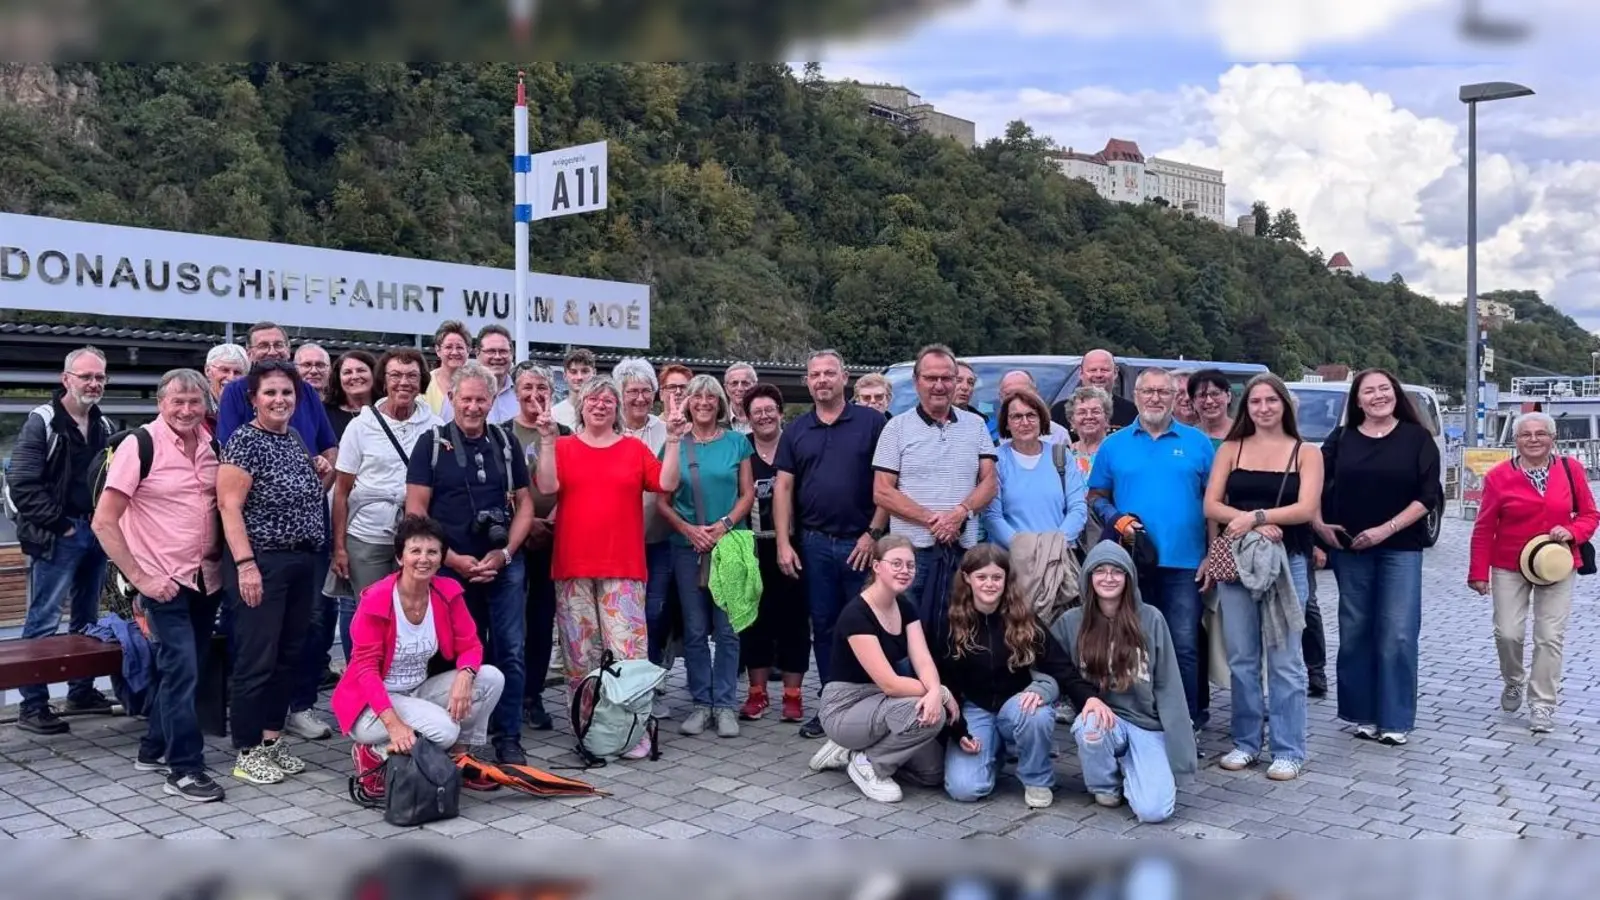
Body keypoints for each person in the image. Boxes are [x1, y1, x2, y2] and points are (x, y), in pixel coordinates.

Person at [532, 376, 688, 759]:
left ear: (616, 409)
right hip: (573, 565)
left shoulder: (633, 449)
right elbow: (547, 486)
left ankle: (632, 730)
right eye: (592, 399)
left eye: (607, 400)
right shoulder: (565, 446)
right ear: (581, 405)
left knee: (628, 654)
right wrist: (548, 440)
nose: (600, 405)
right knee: (579, 657)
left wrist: (672, 438)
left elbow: (666, 481)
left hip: (623, 565)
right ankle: (588, 726)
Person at [89, 368, 226, 802]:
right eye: (177, 402)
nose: (186, 410)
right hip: (162, 581)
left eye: (194, 402)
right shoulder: (140, 445)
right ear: (160, 404)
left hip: (206, 579)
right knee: (182, 669)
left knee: (184, 670)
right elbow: (104, 522)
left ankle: (152, 748)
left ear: (205, 405)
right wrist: (141, 577)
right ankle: (184, 768)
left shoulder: (211, 446)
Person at [404, 362, 534, 765]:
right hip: (448, 567)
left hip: (504, 563)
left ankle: (508, 735)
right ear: (451, 399)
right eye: (466, 399)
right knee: (451, 653)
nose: (473, 407)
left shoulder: (506, 442)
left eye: (481, 399)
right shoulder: (431, 442)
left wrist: (507, 552)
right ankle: (452, 735)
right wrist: (451, 559)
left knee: (510, 649)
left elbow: (526, 504)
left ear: (492, 401)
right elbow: (415, 511)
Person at [217, 361, 333, 785]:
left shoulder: (295, 438)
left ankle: (271, 740)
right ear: (253, 398)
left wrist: (320, 469)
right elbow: (229, 506)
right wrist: (246, 565)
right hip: (261, 561)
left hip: (301, 560)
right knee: (256, 659)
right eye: (270, 393)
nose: (279, 400)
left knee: (288, 657)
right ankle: (247, 749)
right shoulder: (245, 442)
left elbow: (302, 495)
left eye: (287, 392)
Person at [334, 516, 506, 799]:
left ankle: (459, 759)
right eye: (415, 551)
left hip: (415, 692)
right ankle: (373, 752)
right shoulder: (376, 599)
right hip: (372, 706)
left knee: (490, 678)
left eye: (432, 552)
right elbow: (365, 670)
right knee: (445, 731)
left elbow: (471, 645)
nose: (423, 559)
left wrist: (465, 675)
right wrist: (395, 725)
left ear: (441, 558)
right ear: (400, 557)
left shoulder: (446, 592)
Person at [1203, 374, 1322, 781]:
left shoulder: (1306, 452)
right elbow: (1211, 504)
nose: (1264, 408)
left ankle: (1288, 748)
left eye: (1272, 400)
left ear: (1285, 404)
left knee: (1287, 660)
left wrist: (1258, 517)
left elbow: (1306, 509)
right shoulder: (1231, 449)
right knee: (1242, 658)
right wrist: (1252, 526)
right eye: (1256, 401)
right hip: (1237, 563)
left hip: (1288, 564)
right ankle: (1246, 742)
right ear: (1246, 407)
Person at [1314, 368, 1441, 746]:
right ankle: (1361, 713)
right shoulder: (1341, 439)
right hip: (1350, 547)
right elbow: (1314, 485)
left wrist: (1385, 530)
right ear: (1357, 400)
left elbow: (1427, 497)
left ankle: (1395, 718)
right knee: (1356, 631)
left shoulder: (1418, 439)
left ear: (1395, 393)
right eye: (1368, 391)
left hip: (1400, 548)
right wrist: (1320, 527)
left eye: (1384, 389)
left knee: (1399, 633)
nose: (1377, 396)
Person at [1087, 367, 1215, 735]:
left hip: (1185, 562)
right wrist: (1116, 517)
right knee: (1132, 642)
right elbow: (1096, 495)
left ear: (1176, 397)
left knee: (1184, 645)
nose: (1155, 398)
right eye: (1148, 392)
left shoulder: (1197, 443)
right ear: (1137, 396)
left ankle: (1186, 722)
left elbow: (1212, 502)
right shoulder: (1115, 445)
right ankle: (1135, 718)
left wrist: (1210, 552)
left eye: (1163, 392)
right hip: (1131, 562)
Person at [936, 544, 1104, 809]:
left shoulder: (1023, 619)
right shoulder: (950, 621)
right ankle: (998, 750)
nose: (989, 584)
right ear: (967, 578)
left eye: (996, 577)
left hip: (1017, 705)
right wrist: (958, 731)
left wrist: (1089, 700)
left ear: (1006, 579)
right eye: (982, 577)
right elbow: (944, 681)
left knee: (1036, 713)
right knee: (965, 789)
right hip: (974, 709)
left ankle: (1037, 778)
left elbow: (1061, 667)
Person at [775, 350, 889, 739]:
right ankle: (831, 705)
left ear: (845, 378)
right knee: (823, 626)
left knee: (865, 626)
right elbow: (783, 488)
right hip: (815, 544)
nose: (822, 380)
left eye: (829, 373)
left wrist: (873, 534)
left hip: (862, 544)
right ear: (807, 382)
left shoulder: (873, 423)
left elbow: (888, 484)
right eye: (814, 375)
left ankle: (868, 705)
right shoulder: (796, 430)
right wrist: (783, 543)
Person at [1468, 411, 1599, 734]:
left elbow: (1590, 514)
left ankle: (1542, 704)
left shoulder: (1571, 469)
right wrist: (1478, 572)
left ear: (1553, 438)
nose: (1534, 439)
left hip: (1557, 563)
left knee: (1550, 637)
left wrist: (1573, 532)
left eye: (1541, 433)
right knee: (1508, 632)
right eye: (1526, 434)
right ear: (1516, 441)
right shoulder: (1498, 477)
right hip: (1510, 563)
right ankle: (1514, 680)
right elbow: (1484, 527)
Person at [1048, 542, 1196, 822]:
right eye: (1100, 571)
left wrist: (1181, 753)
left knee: (1154, 811)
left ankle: (1134, 768)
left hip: (1146, 725)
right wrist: (1038, 691)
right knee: (1088, 726)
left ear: (1129, 577)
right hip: (1104, 720)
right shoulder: (1071, 622)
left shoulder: (1151, 619)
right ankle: (1106, 786)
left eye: (1117, 571)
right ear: (1088, 577)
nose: (1108, 577)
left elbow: (1169, 686)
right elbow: (1049, 667)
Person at [11, 346, 116, 734]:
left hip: (94, 532)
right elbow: (22, 484)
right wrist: (63, 526)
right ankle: (33, 706)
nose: (93, 383)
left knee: (88, 619)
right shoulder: (42, 422)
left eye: (100, 377)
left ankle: (81, 691)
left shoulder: (103, 426)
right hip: (59, 536)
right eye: (86, 376)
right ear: (66, 379)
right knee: (43, 620)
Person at [807, 536, 954, 804]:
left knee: (933, 773)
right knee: (924, 711)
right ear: (876, 567)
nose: (904, 570)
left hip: (881, 703)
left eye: (910, 565)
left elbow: (922, 661)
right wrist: (939, 693)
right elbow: (890, 684)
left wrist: (934, 688)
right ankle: (868, 763)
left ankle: (856, 749)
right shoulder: (857, 614)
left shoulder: (906, 607)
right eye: (895, 563)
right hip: (845, 705)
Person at [872, 343, 998, 637]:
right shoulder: (896, 429)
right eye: (931, 378)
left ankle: (953, 685)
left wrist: (959, 514)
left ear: (956, 381)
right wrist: (935, 520)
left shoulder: (976, 426)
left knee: (962, 631)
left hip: (962, 551)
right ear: (917, 382)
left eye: (946, 378)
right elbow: (882, 492)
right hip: (911, 554)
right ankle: (913, 685)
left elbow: (990, 482)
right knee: (907, 633)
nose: (939, 385)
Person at [656, 375, 754, 738]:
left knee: (728, 630)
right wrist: (689, 530)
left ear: (720, 403)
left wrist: (724, 524)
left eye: (710, 397)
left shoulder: (737, 443)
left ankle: (725, 704)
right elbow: (662, 501)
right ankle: (701, 702)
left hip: (728, 545)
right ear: (687, 403)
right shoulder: (674, 445)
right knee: (695, 630)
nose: (703, 402)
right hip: (686, 548)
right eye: (696, 396)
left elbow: (747, 494)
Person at [331, 349, 442, 662]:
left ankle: (401, 688)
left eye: (410, 376)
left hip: (416, 539)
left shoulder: (435, 426)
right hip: (367, 537)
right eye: (395, 375)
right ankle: (363, 692)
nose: (403, 382)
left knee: (410, 614)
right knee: (368, 615)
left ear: (421, 381)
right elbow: (342, 492)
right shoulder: (360, 426)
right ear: (383, 380)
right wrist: (339, 547)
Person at [504, 361, 572, 730]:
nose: (534, 395)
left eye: (541, 388)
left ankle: (533, 695)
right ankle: (508, 695)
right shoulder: (502, 433)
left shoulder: (565, 434)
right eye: (527, 388)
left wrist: (552, 521)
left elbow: (577, 484)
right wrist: (526, 524)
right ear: (515, 392)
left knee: (542, 620)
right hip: (515, 540)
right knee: (511, 622)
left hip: (554, 538)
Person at [739, 384, 811, 724]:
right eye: (757, 412)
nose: (764, 416)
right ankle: (757, 693)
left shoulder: (795, 444)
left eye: (770, 410)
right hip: (752, 544)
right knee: (755, 620)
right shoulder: (742, 448)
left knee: (794, 620)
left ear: (781, 412)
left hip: (794, 543)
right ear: (746, 417)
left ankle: (794, 696)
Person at [981, 390, 1087, 550]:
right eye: (1016, 417)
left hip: (1056, 557)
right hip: (1012, 559)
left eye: (1031, 415)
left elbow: (1077, 508)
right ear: (1007, 424)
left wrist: (1055, 545)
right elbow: (992, 516)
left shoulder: (1061, 455)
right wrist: (1025, 547)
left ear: (1041, 419)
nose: (1025, 422)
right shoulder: (996, 460)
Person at [1051, 349, 1135, 432]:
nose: (1098, 375)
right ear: (1081, 373)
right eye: (1093, 370)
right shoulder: (1059, 411)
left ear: (1115, 373)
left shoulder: (1132, 412)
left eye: (1104, 370)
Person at [422, 320, 472, 420]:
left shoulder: (476, 383)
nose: (454, 352)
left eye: (460, 347)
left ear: (468, 350)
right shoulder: (424, 383)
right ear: (438, 350)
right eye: (448, 347)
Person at [324, 350, 378, 440]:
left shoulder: (388, 410)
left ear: (374, 374)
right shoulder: (324, 413)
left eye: (361, 370)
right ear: (338, 378)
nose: (355, 376)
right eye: (347, 372)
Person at [474, 325, 520, 424]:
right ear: (477, 353)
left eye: (503, 351)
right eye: (491, 351)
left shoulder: (523, 393)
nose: (498, 357)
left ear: (511, 354)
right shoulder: (461, 392)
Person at [550, 347, 598, 431]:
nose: (579, 377)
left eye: (585, 371)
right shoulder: (554, 414)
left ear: (594, 373)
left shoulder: (603, 411)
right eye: (573, 372)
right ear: (565, 376)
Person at [203, 343, 248, 433]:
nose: (231, 378)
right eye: (224, 370)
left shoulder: (251, 406)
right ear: (208, 371)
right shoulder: (195, 405)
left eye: (237, 372)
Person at [1186, 369, 1234, 447]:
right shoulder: (1187, 438)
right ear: (1193, 402)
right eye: (1202, 395)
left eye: (1215, 394)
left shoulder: (1245, 434)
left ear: (1228, 396)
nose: (1209, 401)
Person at [723, 363, 759, 434]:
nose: (740, 388)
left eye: (745, 383)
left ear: (755, 387)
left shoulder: (765, 419)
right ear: (726, 388)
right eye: (734, 383)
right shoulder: (716, 420)